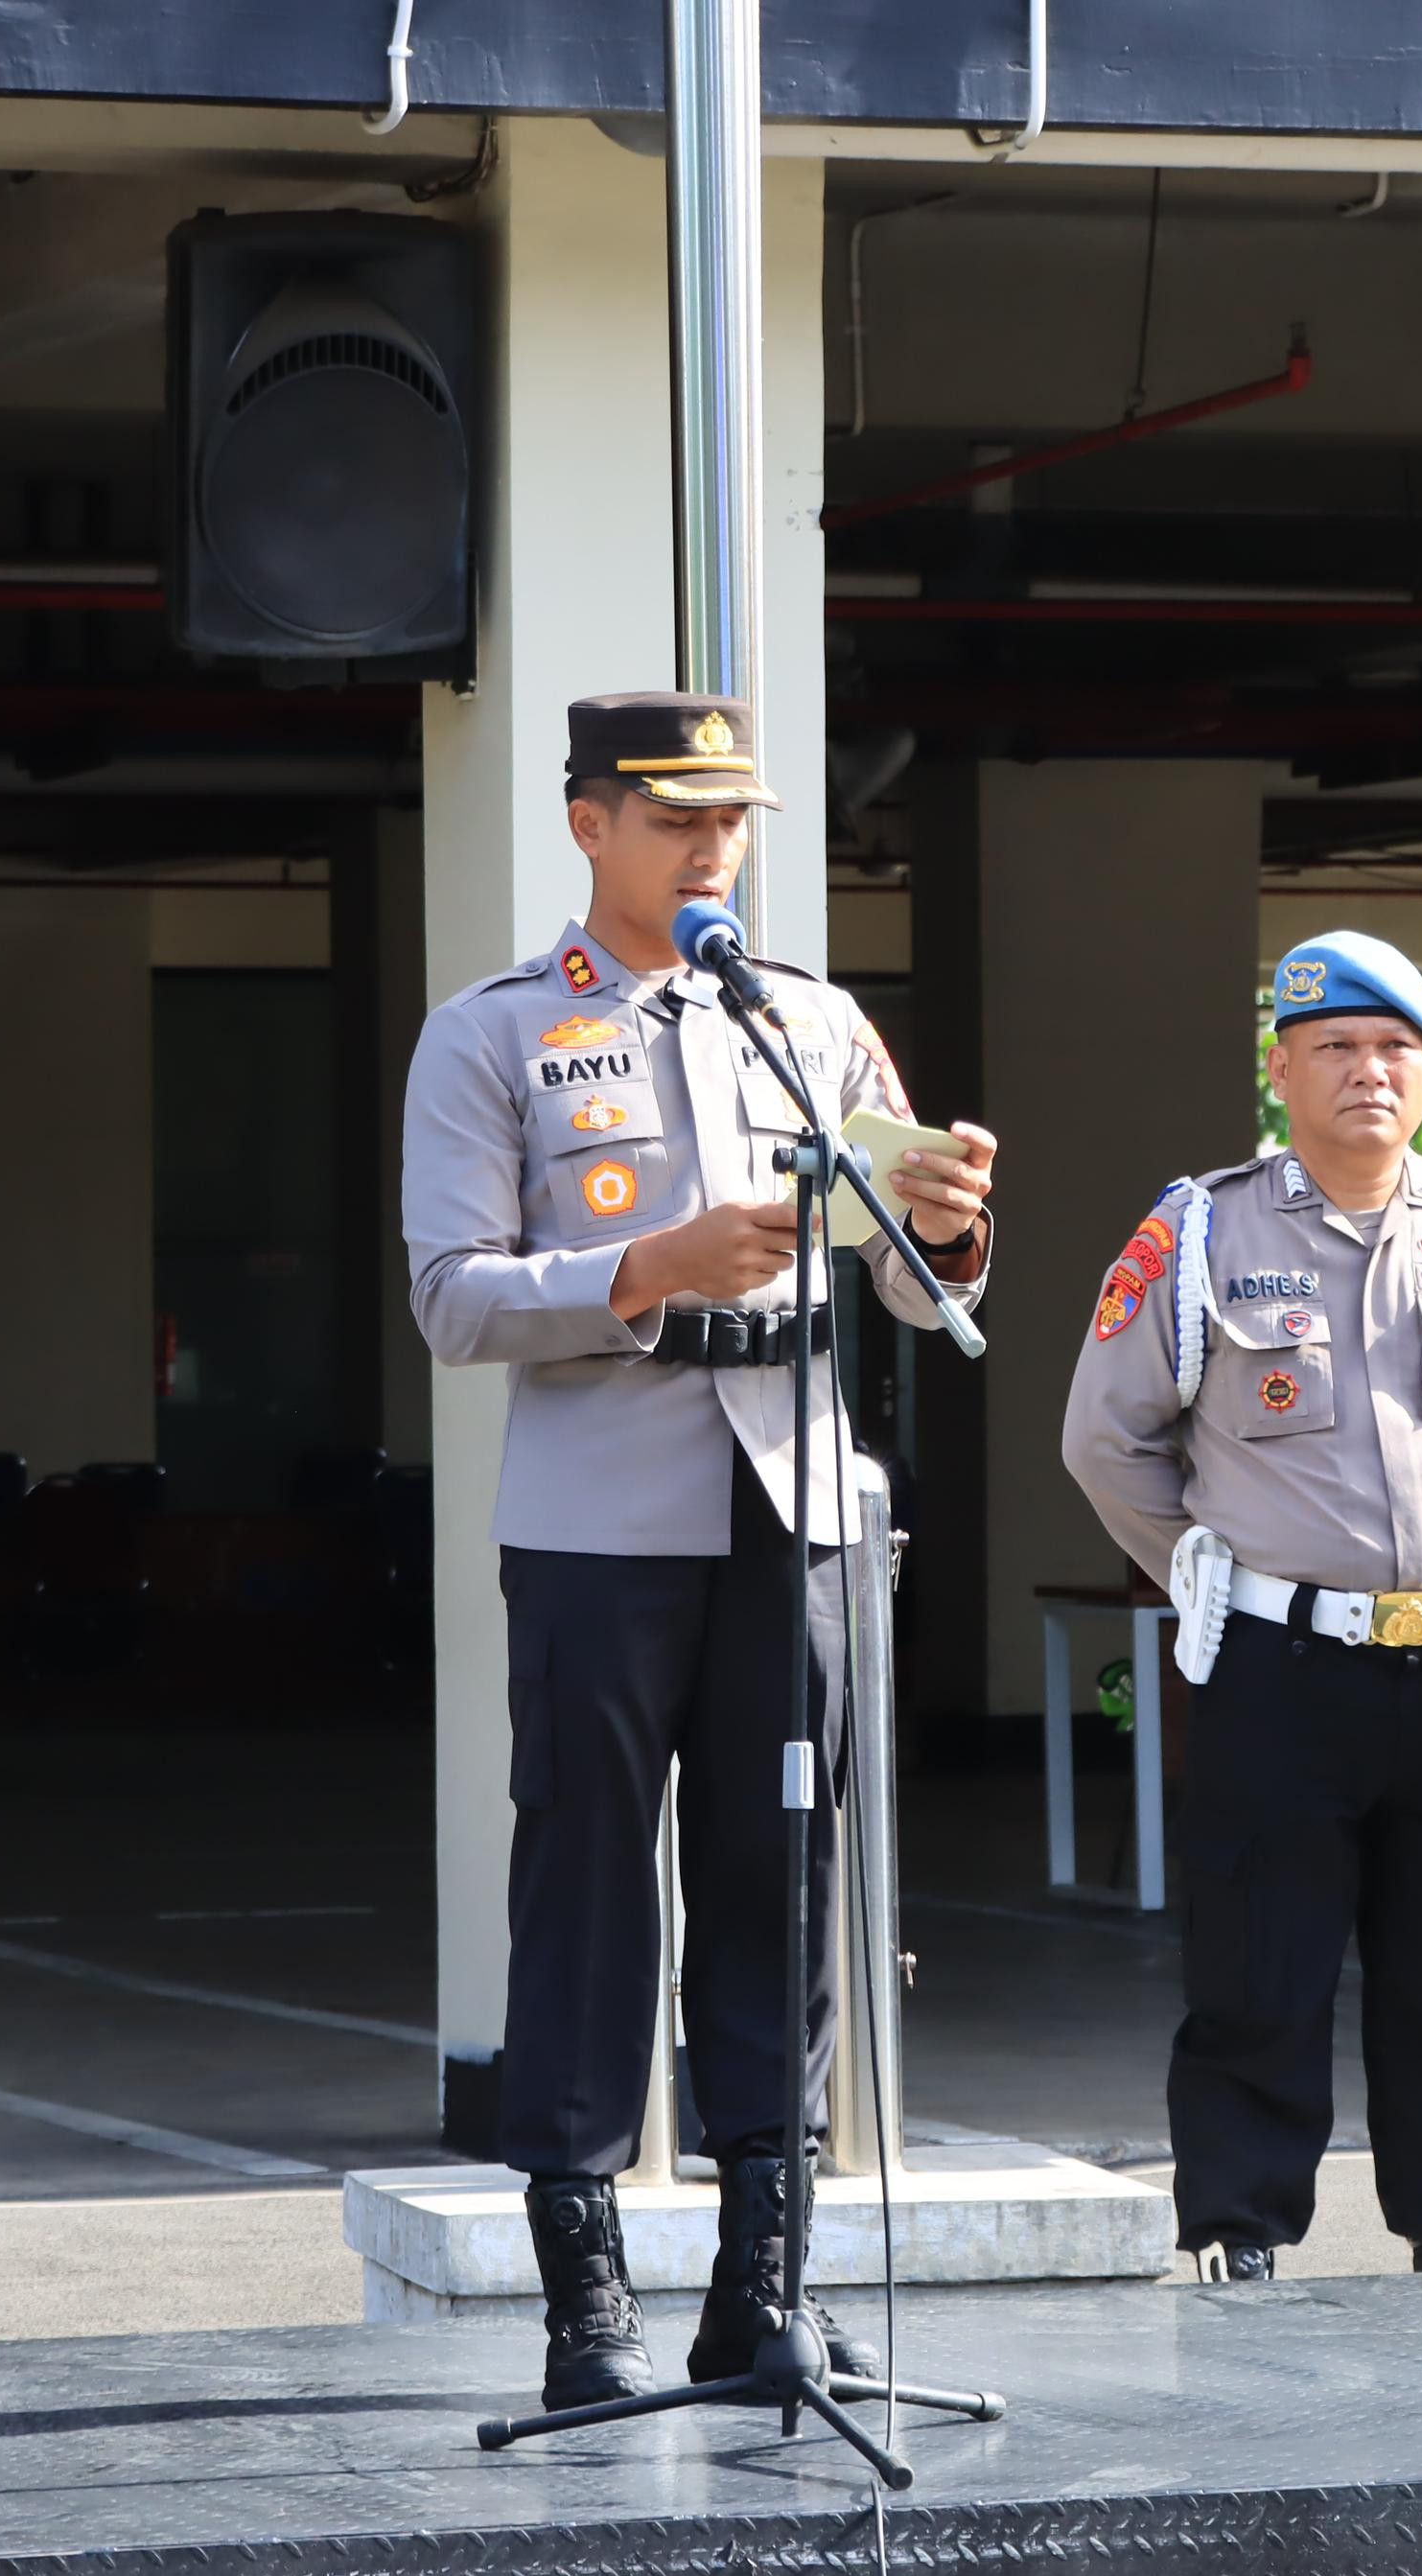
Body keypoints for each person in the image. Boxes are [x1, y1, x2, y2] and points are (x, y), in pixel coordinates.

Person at [402, 692, 999, 2410]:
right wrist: (650, 1266)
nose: (711, 848)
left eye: (731, 819)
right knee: (588, 1882)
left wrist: (948, 1223)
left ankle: (765, 2281)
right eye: (676, 818)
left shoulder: (806, 1021)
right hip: (602, 1509)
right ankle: (584, 2292)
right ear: (588, 823)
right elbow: (450, 1295)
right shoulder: (495, 1034)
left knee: (782, 1875)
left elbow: (908, 1269)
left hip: (793, 1501)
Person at [1059, 930, 1422, 2279]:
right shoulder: (1201, 1230)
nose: (1367, 1071)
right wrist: (1212, 1565)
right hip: (1279, 1669)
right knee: (1261, 1977)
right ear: (1284, 1069)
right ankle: (1240, 2250)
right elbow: (1104, 1439)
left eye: (1393, 1048)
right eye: (1335, 1048)